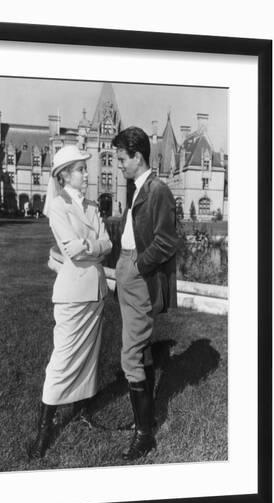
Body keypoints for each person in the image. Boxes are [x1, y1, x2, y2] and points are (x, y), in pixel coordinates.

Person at [29, 145, 112, 459]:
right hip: (72, 294)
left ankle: (83, 411)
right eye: (79, 168)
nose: (85, 173)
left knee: (89, 359)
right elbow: (75, 251)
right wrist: (95, 246)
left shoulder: (91, 205)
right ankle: (44, 429)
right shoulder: (58, 207)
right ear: (64, 175)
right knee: (62, 361)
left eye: (84, 168)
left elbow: (108, 242)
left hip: (95, 291)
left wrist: (92, 245)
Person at [112, 126, 178, 460]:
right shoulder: (139, 188)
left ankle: (144, 434)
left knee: (129, 355)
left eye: (122, 158)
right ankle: (146, 419)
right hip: (127, 270)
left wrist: (138, 266)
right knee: (138, 349)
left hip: (138, 273)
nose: (119, 164)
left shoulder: (158, 190)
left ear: (138, 156)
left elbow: (166, 240)